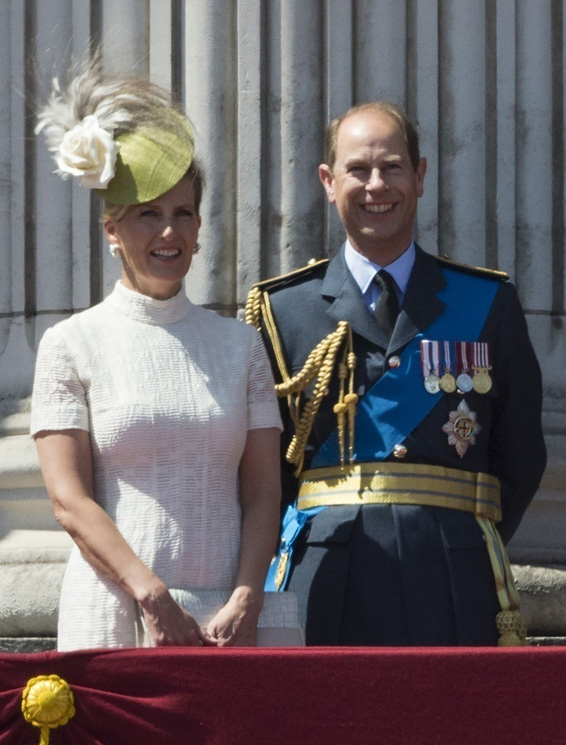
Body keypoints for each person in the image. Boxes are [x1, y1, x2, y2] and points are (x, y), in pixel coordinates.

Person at [246, 101, 546, 647]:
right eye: (358, 169)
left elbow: (521, 453)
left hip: (454, 575)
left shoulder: (486, 302)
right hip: (324, 575)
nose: (376, 185)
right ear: (328, 182)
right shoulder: (282, 310)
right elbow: (264, 468)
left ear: (420, 176)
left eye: (392, 167)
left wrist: (462, 541)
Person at [31, 61, 300, 650]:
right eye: (148, 214)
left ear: (199, 227)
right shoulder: (71, 343)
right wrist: (150, 593)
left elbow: (263, 492)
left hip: (227, 623)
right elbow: (69, 501)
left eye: (182, 214)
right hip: (114, 617)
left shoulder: (241, 345)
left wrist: (248, 595)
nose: (169, 232)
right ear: (112, 229)